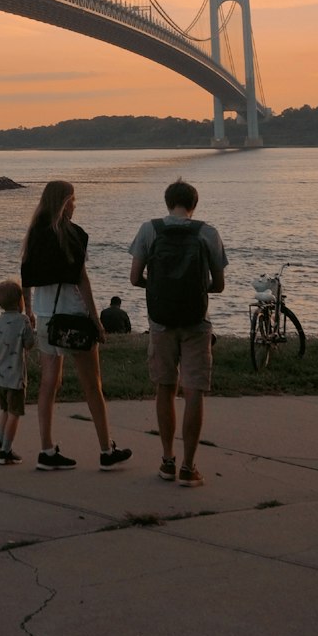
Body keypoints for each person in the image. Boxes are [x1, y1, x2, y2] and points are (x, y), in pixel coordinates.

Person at [20, 180, 132, 472]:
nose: (75, 204)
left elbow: (26, 278)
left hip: (46, 318)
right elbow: (81, 279)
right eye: (73, 199)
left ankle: (46, 450)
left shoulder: (34, 234)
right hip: (73, 318)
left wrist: (30, 311)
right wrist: (95, 319)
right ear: (64, 202)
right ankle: (106, 450)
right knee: (92, 385)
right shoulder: (75, 235)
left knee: (48, 383)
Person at [129, 178, 227, 486]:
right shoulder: (208, 233)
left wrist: (157, 287)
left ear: (167, 202)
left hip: (161, 322)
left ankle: (168, 461)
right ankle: (189, 467)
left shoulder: (150, 229)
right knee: (194, 391)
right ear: (194, 205)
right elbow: (219, 284)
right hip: (197, 323)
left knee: (165, 388)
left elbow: (134, 278)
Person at [0, 278, 35, 465]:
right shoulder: (22, 321)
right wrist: (33, 326)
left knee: (5, 409)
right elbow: (29, 344)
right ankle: (6, 450)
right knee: (15, 412)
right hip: (15, 377)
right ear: (20, 301)